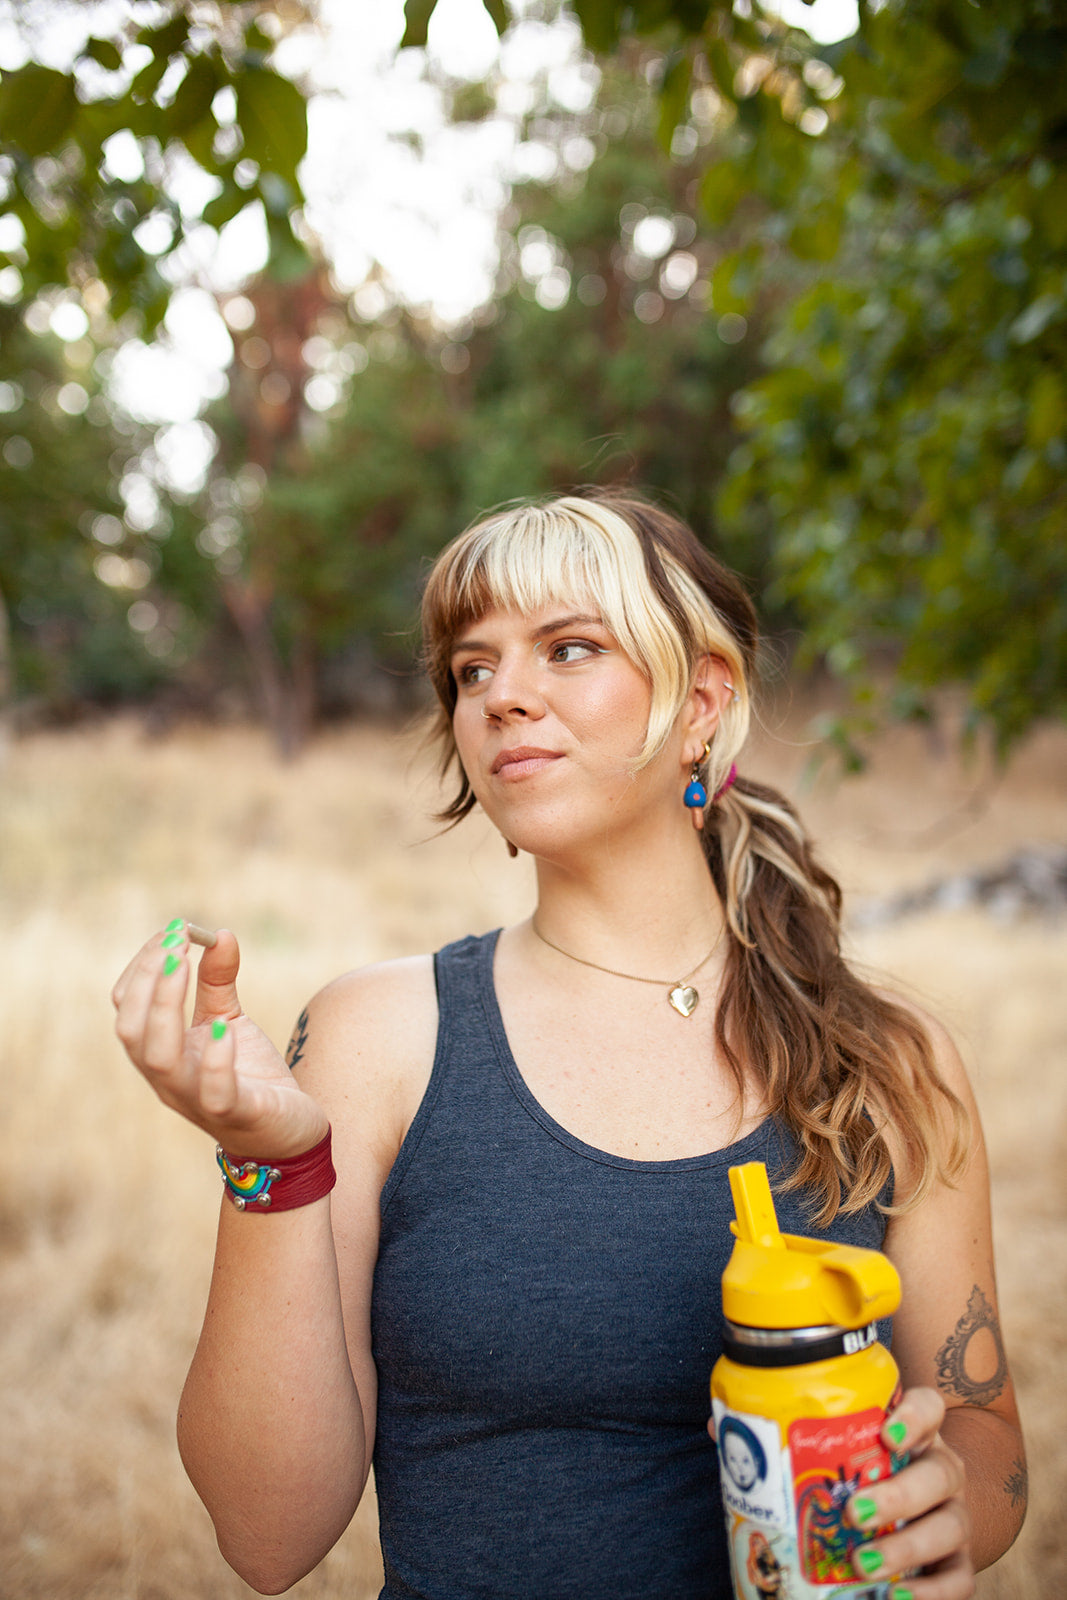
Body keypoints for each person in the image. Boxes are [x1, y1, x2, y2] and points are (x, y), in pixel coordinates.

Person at [112, 491, 1026, 1599]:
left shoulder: (890, 1060)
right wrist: (274, 1162)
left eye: (568, 647)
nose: (503, 696)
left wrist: (947, 1509)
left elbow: (981, 1435)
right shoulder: (378, 1036)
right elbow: (267, 1539)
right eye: (470, 669)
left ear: (702, 703)